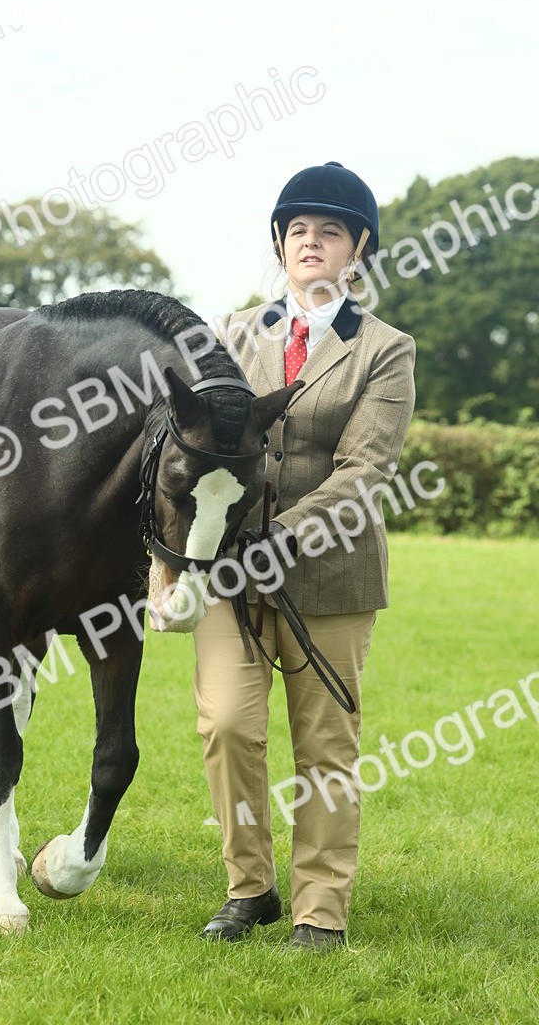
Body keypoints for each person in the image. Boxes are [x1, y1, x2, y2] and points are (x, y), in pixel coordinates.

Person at [195, 161, 416, 951]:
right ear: (280, 247)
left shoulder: (385, 350)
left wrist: (280, 537)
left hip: (330, 576)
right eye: (298, 232)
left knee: (325, 747)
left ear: (358, 249)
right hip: (228, 580)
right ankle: (248, 888)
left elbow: (364, 472)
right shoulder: (232, 333)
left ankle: (320, 909)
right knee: (225, 725)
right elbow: (195, 450)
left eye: (329, 232)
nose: (311, 243)